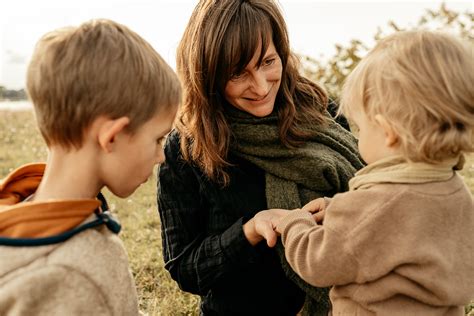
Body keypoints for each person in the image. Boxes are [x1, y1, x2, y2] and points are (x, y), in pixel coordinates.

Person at [157, 0, 364, 315]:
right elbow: (185, 268)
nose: (261, 85)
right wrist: (248, 232)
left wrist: (339, 211)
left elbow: (373, 205)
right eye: (239, 73)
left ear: (281, 51)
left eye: (268, 61)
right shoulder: (186, 149)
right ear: (209, 74)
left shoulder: (321, 111)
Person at [252, 30, 474, 315]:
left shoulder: (371, 206)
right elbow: (399, 229)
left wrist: (295, 222)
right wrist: (336, 211)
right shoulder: (454, 192)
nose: (358, 135)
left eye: (361, 127)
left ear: (388, 132)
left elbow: (318, 263)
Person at [0, 19, 181, 315]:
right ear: (111, 137)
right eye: (158, 138)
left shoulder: (20, 210)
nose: (161, 156)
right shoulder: (75, 279)